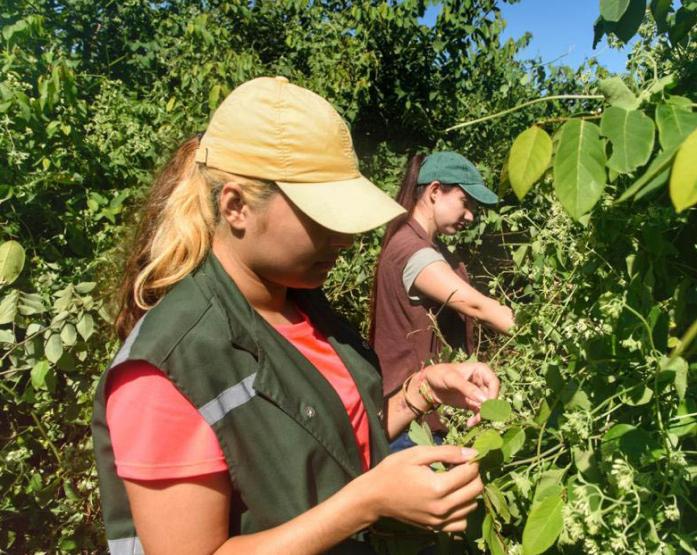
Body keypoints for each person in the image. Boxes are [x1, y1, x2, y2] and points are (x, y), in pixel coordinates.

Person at [91, 77, 499, 555]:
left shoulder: (304, 306)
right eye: (321, 217)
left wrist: (423, 391)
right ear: (237, 206)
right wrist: (365, 503)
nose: (345, 238)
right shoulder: (168, 367)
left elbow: (329, 441)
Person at [370, 152, 514, 451]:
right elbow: (476, 306)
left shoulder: (423, 246)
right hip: (411, 427)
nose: (471, 216)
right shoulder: (411, 250)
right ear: (435, 191)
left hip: (426, 419)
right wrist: (538, 329)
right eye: (465, 202)